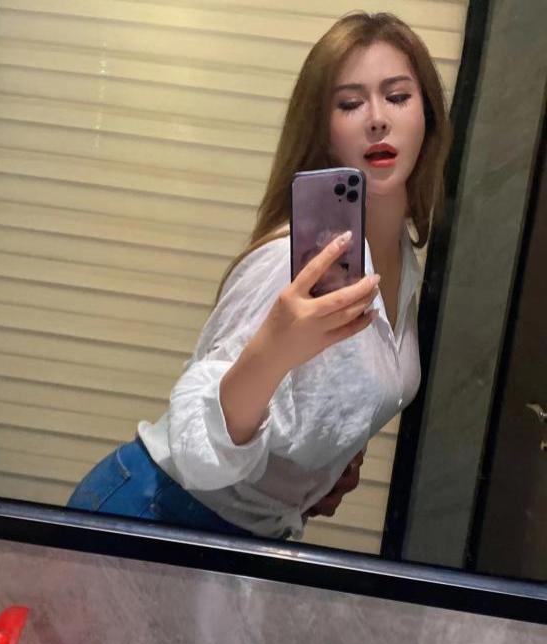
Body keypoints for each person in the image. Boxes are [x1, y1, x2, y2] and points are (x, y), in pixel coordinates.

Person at [67, 12, 451, 540]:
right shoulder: (291, 261)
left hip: (243, 536)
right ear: (322, 130)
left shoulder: (404, 262)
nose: (377, 119)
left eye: (398, 96)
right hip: (153, 516)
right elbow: (194, 446)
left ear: (428, 115)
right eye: (350, 103)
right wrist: (274, 351)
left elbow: (326, 400)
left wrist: (319, 473)